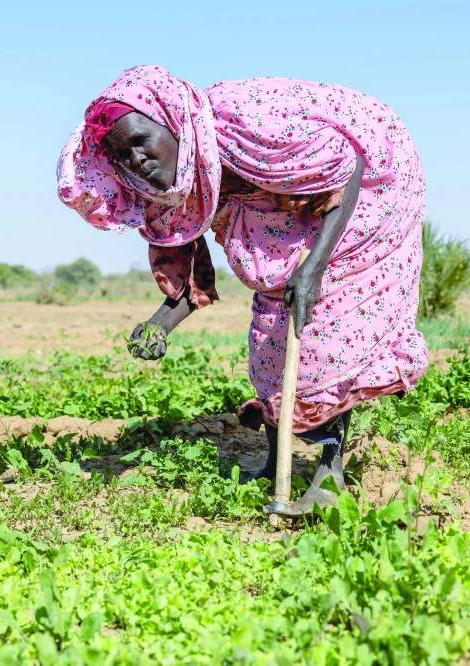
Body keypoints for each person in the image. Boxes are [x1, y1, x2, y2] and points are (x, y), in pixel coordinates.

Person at [57, 66, 428, 515]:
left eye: (140, 140)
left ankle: (330, 475)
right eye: (122, 154)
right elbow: (188, 266)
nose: (135, 159)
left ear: (172, 123)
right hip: (290, 198)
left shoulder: (250, 131)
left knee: (324, 336)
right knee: (270, 333)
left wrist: (312, 268)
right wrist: (158, 325)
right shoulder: (168, 185)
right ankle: (277, 462)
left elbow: (347, 168)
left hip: (368, 180)